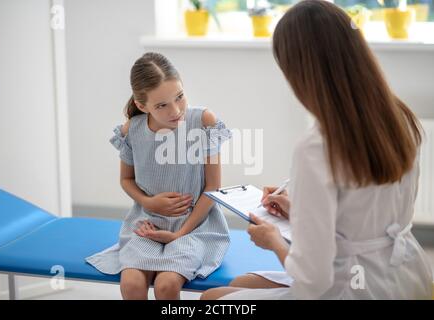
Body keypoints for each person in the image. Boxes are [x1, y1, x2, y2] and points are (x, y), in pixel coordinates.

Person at [201, 0, 433, 300]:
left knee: (211, 300)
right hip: (403, 273)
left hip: (352, 287)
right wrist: (299, 211)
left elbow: (313, 281)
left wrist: (274, 241)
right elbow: (364, 218)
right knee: (246, 280)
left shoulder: (316, 148)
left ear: (299, 72)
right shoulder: (400, 117)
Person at [86, 52, 232, 300]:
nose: (176, 111)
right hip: (147, 224)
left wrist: (179, 233)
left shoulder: (204, 121)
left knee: (166, 285)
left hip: (195, 226)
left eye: (180, 97)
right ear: (142, 106)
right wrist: (149, 202)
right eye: (162, 105)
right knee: (131, 283)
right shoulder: (132, 129)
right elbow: (126, 180)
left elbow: (213, 188)